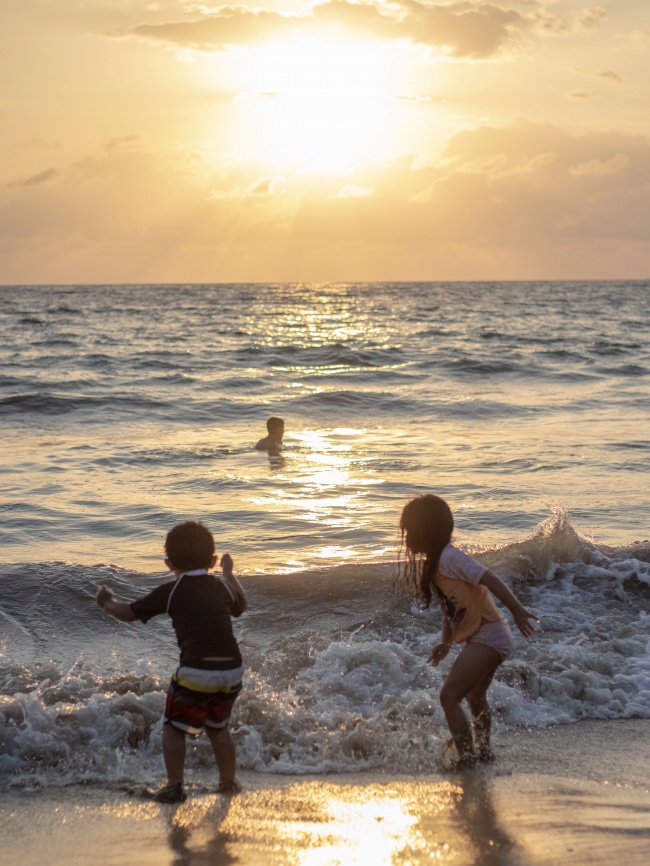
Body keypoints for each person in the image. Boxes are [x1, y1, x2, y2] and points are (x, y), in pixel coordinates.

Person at [96, 520, 247, 803]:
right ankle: (228, 783)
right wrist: (229, 574)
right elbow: (241, 604)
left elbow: (129, 612)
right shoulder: (221, 587)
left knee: (173, 727)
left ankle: (174, 786)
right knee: (219, 727)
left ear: (168, 564)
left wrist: (107, 602)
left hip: (196, 670)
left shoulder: (172, 591)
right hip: (231, 669)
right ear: (213, 561)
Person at [398, 494, 537, 766]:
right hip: (488, 636)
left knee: (449, 696)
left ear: (425, 530)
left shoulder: (449, 557)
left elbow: (489, 577)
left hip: (490, 635)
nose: (406, 537)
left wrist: (516, 608)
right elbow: (450, 609)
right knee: (474, 696)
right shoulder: (436, 561)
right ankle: (484, 752)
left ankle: (468, 758)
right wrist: (446, 642)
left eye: (409, 530)